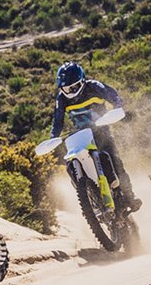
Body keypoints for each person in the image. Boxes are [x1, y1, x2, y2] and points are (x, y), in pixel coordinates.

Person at [51, 61, 141, 212]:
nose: (70, 91)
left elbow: (113, 95)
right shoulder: (61, 99)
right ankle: (86, 194)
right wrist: (53, 137)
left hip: (102, 131)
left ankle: (130, 197)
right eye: (66, 88)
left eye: (74, 87)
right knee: (70, 163)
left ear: (82, 81)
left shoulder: (94, 86)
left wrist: (118, 107)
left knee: (116, 163)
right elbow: (57, 120)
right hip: (81, 136)